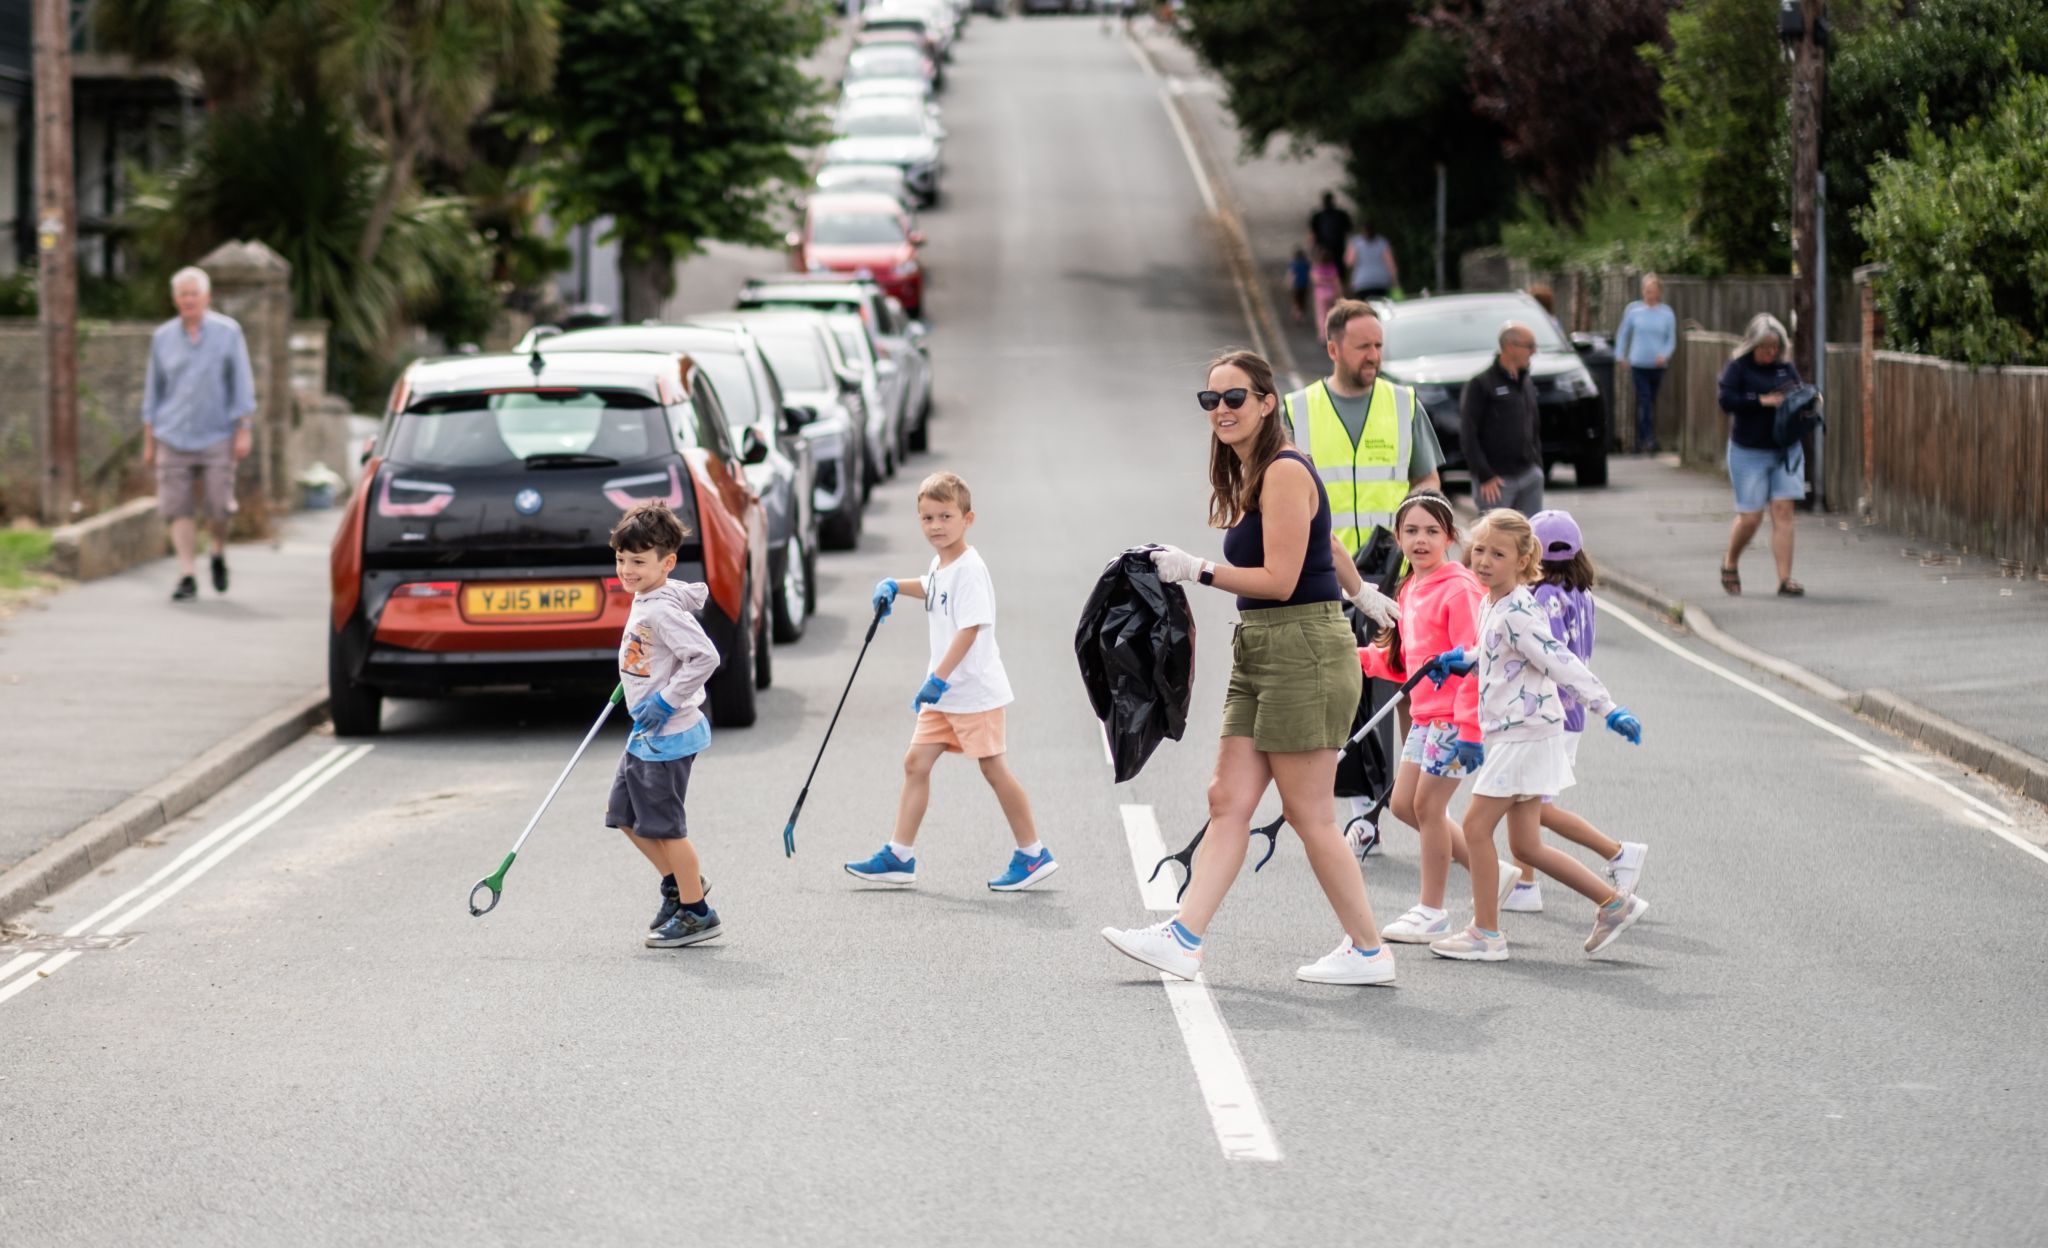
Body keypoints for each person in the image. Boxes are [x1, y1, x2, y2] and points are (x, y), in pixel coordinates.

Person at [1102, 350, 1394, 987]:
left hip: (1304, 650)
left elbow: (1283, 578)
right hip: (1263, 647)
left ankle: (1370, 951)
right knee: (1228, 800)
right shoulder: (1255, 470)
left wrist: (1195, 567)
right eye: (1211, 401)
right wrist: (1362, 590)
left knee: (1310, 813)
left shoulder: (1285, 470)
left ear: (1268, 403)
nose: (1222, 411)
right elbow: (1329, 540)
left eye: (1235, 398)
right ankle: (1183, 938)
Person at [1420, 510, 1649, 963]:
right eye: (1480, 550)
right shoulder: (1495, 602)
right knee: (1525, 845)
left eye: (1498, 554)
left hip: (1522, 734)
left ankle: (1485, 932)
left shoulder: (1520, 610)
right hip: (1522, 731)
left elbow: (1559, 660)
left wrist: (1608, 707)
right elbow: (1499, 649)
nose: (1484, 561)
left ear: (1524, 561)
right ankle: (1615, 902)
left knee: (1474, 827)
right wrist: (1463, 659)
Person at [1280, 299, 1445, 850]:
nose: (1374, 355)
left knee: (1401, 692)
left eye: (1378, 346)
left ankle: (1405, 805)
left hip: (1396, 577)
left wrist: (1420, 552)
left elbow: (1428, 486)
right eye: (1362, 347)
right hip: (1325, 577)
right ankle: (1358, 812)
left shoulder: (1403, 405)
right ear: (1333, 349)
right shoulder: (1297, 410)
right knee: (1341, 696)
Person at [849, 471, 1054, 891]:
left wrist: (938, 680)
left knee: (994, 768)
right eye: (927, 518)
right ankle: (899, 856)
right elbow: (931, 588)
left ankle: (1033, 854)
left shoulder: (971, 569)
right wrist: (894, 586)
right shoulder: (942, 563)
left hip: (970, 690)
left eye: (945, 516)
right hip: (943, 693)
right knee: (915, 763)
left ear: (968, 518)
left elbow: (971, 628)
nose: (936, 526)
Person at [1357, 492, 1521, 944]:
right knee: (1403, 804)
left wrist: (1468, 727)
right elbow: (1407, 662)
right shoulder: (1411, 586)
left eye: (1432, 531)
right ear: (1398, 537)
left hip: (1454, 715)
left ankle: (1431, 910)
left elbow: (1474, 661)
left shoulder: (1459, 587)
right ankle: (1494, 870)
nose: (1421, 540)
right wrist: (1360, 659)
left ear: (1450, 537)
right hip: (1426, 714)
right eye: (1411, 531)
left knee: (1429, 806)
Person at [1500, 509, 1649, 913]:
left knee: (1535, 805)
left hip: (1549, 712)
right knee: (1524, 799)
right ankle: (1525, 885)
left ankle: (1617, 853)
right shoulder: (1582, 594)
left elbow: (1548, 653)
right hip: (1571, 714)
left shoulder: (1544, 595)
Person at [606, 501, 723, 948]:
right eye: (621, 559)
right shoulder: (649, 597)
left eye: (638, 561)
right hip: (645, 731)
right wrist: (634, 678)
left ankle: (697, 912)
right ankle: (680, 882)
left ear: (666, 562)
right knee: (625, 815)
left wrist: (664, 698)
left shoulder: (662, 609)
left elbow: (704, 656)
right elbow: (653, 652)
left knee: (666, 826)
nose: (627, 569)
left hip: (667, 734)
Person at [141, 266, 257, 602]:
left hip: (218, 433)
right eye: (182, 294)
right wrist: (150, 440)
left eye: (194, 293)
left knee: (219, 506)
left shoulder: (228, 332)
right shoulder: (162, 337)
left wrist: (244, 429)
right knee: (178, 507)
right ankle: (187, 573)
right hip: (172, 434)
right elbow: (153, 391)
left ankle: (217, 552)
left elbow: (242, 384)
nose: (188, 299)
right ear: (175, 299)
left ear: (206, 297)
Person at [1717, 313, 1806, 597]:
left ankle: (1784, 579)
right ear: (1752, 344)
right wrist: (1761, 401)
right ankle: (1730, 561)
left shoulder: (1786, 369)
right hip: (1748, 452)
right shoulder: (1738, 367)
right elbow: (1726, 400)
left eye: (1775, 348)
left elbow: (1798, 395)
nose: (1770, 353)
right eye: (1764, 347)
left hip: (1784, 450)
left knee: (1783, 511)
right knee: (1751, 517)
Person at [1459, 322, 1544, 516]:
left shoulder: (1525, 382)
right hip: (1496, 482)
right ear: (1509, 346)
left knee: (1530, 539)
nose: (1533, 352)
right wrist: (1484, 475)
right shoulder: (1481, 383)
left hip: (1529, 475)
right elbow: (1468, 434)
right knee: (1496, 539)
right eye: (1529, 346)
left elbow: (1534, 425)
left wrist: (1537, 466)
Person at [1616, 273, 1677, 454]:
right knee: (1644, 401)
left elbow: (1671, 339)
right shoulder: (1633, 311)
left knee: (1649, 401)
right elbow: (1623, 334)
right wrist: (1620, 356)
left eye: (1653, 291)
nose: (1649, 294)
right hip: (1638, 364)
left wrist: (1664, 355)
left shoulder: (1666, 313)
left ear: (1659, 292)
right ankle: (1648, 440)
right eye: (1647, 290)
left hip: (1657, 365)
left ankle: (1642, 439)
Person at [1307, 191, 1354, 296]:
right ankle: (1340, 295)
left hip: (1324, 251)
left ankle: (1326, 297)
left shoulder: (1318, 216)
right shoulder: (1341, 214)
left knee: (1322, 275)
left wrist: (1312, 252)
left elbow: (1312, 235)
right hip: (1338, 250)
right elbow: (1349, 231)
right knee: (1339, 276)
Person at [1343, 223, 1398, 301]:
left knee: (1365, 308)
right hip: (1381, 281)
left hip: (1361, 283)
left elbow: (1349, 262)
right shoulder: (1382, 242)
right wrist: (1395, 282)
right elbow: (1390, 263)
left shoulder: (1355, 243)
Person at [1308, 245, 1342, 332]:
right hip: (1332, 293)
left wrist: (1323, 281)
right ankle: (1331, 333)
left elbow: (1315, 280)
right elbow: (1336, 282)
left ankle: (1323, 335)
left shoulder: (1316, 268)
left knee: (1321, 315)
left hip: (1321, 294)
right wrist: (1339, 294)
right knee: (1331, 314)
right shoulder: (1332, 268)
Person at [1287, 247, 1311, 324]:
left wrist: (1289, 283)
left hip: (1296, 285)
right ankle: (1300, 313)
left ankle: (1296, 312)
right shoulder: (1306, 264)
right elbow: (1310, 273)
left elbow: (1291, 274)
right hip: (1304, 285)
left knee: (1295, 300)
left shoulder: (1293, 264)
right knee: (1303, 300)